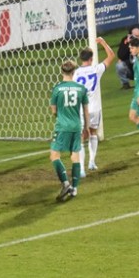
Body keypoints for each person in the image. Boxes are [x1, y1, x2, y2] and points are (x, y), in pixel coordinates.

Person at [73, 37, 115, 176]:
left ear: (81, 59)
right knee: (93, 133)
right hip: (95, 108)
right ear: (91, 59)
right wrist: (103, 42)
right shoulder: (96, 69)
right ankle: (92, 162)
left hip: (81, 109)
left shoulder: (75, 73)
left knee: (80, 138)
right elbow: (111, 56)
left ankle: (82, 169)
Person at [49, 60, 90, 201]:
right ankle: (75, 189)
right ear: (74, 72)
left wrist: (60, 115)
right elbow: (86, 110)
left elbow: (53, 110)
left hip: (62, 126)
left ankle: (66, 183)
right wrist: (86, 127)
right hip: (76, 126)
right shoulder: (81, 88)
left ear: (62, 71)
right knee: (75, 156)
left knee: (54, 155)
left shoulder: (57, 89)